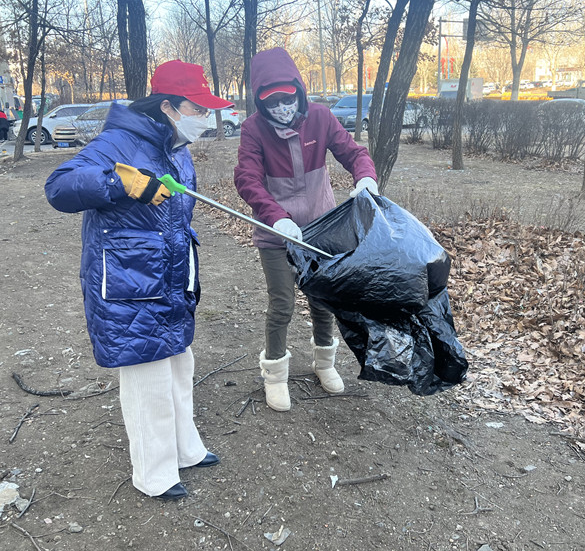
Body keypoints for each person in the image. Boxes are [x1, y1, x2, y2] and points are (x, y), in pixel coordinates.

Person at [44, 60, 231, 500]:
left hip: (170, 276)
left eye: (207, 109)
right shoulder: (118, 141)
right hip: (131, 282)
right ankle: (154, 473)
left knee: (179, 362)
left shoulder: (175, 146)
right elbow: (59, 187)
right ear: (168, 106)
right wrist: (119, 182)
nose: (205, 118)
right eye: (198, 109)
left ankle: (184, 449)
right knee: (147, 372)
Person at [234, 47, 378, 412]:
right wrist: (275, 216)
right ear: (260, 102)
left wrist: (365, 178)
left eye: (288, 99)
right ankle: (275, 375)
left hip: (320, 228)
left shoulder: (320, 117)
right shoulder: (253, 129)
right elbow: (247, 178)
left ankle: (324, 363)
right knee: (282, 304)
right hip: (276, 232)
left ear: (299, 91)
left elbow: (354, 153)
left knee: (322, 297)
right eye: (272, 103)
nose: (282, 108)